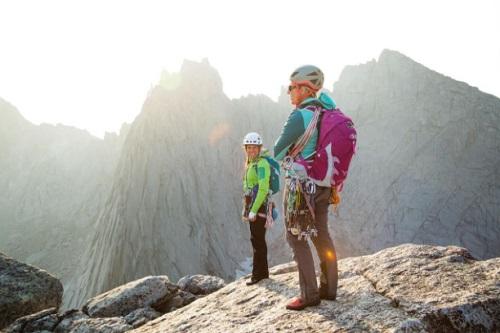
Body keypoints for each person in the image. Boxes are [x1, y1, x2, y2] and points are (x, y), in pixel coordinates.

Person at [274, 65, 338, 310]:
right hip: (323, 184)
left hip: (301, 188)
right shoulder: (325, 111)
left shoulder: (300, 115)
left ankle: (309, 294)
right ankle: (329, 289)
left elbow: (279, 150)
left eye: (292, 87)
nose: (289, 91)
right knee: (321, 233)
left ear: (303, 88)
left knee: (295, 237)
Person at [242, 132, 271, 285]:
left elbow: (263, 188)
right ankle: (262, 273)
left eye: (254, 147)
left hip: (259, 206)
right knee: (257, 240)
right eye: (249, 147)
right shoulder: (251, 163)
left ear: (259, 148)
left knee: (257, 240)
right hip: (253, 205)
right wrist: (246, 208)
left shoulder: (261, 164)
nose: (251, 150)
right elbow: (247, 186)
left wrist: (253, 209)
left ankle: (258, 275)